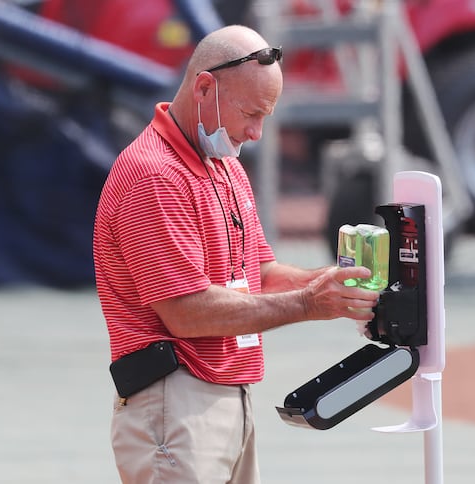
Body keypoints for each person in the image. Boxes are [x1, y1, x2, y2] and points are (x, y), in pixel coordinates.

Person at [93, 24, 379, 484]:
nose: (257, 132)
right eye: (251, 112)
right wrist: (310, 303)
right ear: (205, 87)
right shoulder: (155, 176)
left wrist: (331, 284)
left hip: (223, 397)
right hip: (176, 401)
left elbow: (258, 273)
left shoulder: (222, 164)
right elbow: (188, 313)